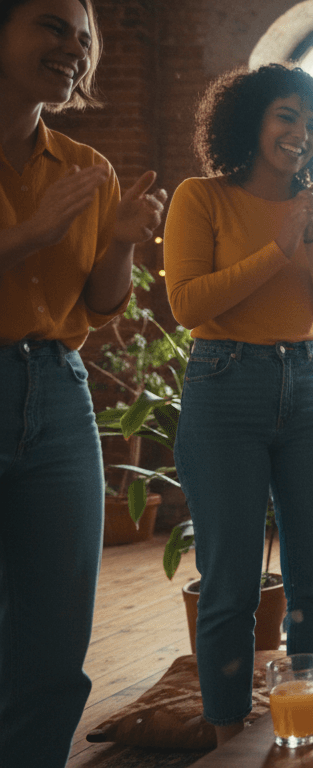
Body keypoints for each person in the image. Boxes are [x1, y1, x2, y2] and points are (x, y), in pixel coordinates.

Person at [163, 63, 313, 745]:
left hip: (310, 385)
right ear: (250, 120)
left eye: (312, 123)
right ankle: (224, 734)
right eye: (286, 116)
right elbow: (188, 305)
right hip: (225, 383)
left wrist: (310, 236)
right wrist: (277, 250)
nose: (301, 134)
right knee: (230, 583)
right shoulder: (201, 197)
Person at [0, 0, 167, 763]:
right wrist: (30, 234)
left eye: (86, 36)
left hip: (59, 394)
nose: (76, 48)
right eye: (53, 26)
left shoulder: (87, 168)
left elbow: (99, 306)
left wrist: (122, 243)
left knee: (55, 632)